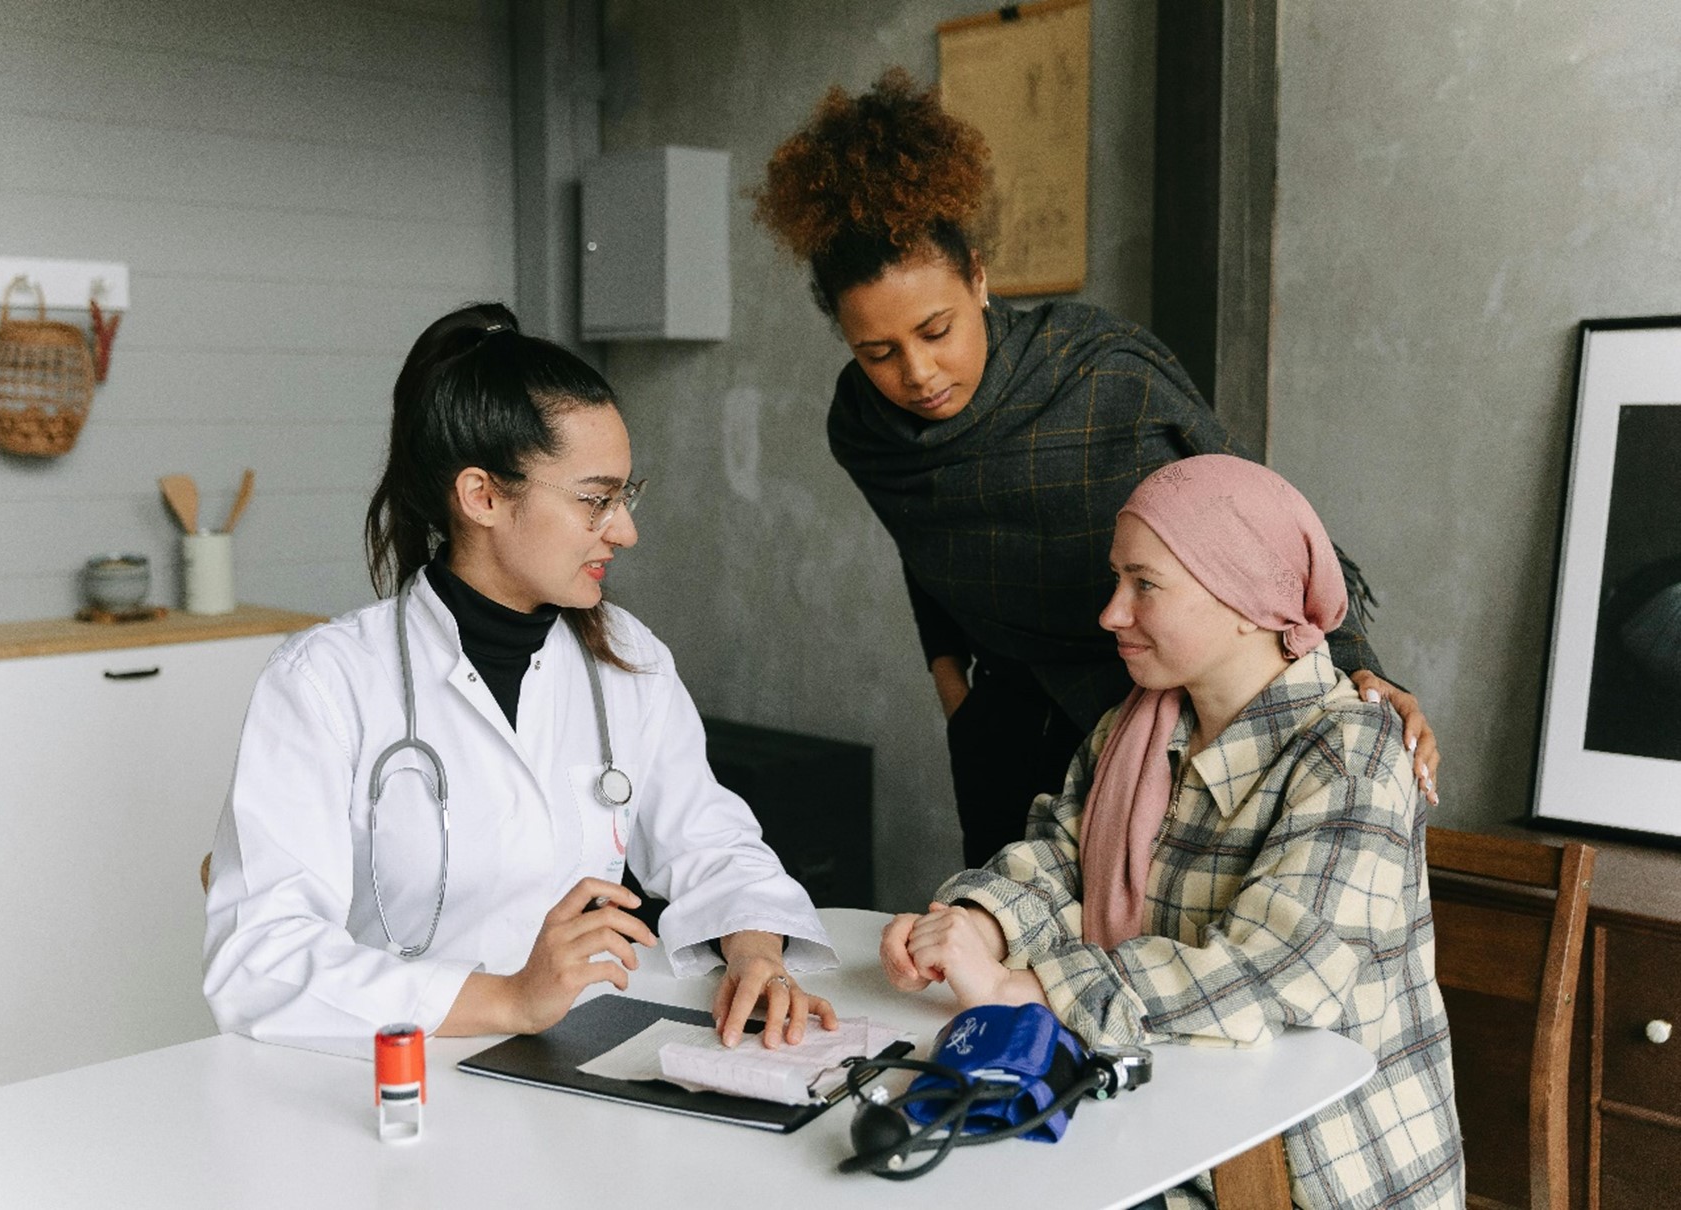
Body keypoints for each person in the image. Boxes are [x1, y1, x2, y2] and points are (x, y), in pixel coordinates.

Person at [753, 70, 1441, 868]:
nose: (917, 372)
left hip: (1160, 704)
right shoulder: (862, 426)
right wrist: (955, 690)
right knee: (1003, 928)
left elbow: (1265, 529)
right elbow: (929, 556)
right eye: (877, 351)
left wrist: (1360, 670)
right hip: (1004, 722)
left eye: (936, 329)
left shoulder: (1099, 370)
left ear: (978, 277)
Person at [203, 303, 837, 1052]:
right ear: (482, 497)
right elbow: (259, 961)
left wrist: (757, 953)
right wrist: (509, 1000)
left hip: (584, 1060)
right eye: (594, 499)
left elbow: (712, 843)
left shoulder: (626, 659)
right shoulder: (325, 682)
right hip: (397, 1076)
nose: (624, 530)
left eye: (625, 496)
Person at [880, 455, 1463, 1209]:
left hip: (1302, 1169)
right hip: (1160, 1117)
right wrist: (970, 925)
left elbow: (1281, 971)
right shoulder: (1133, 725)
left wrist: (1025, 989)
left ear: (1246, 602)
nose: (1110, 612)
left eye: (1143, 585)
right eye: (1116, 579)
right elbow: (1060, 860)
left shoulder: (1352, 753)